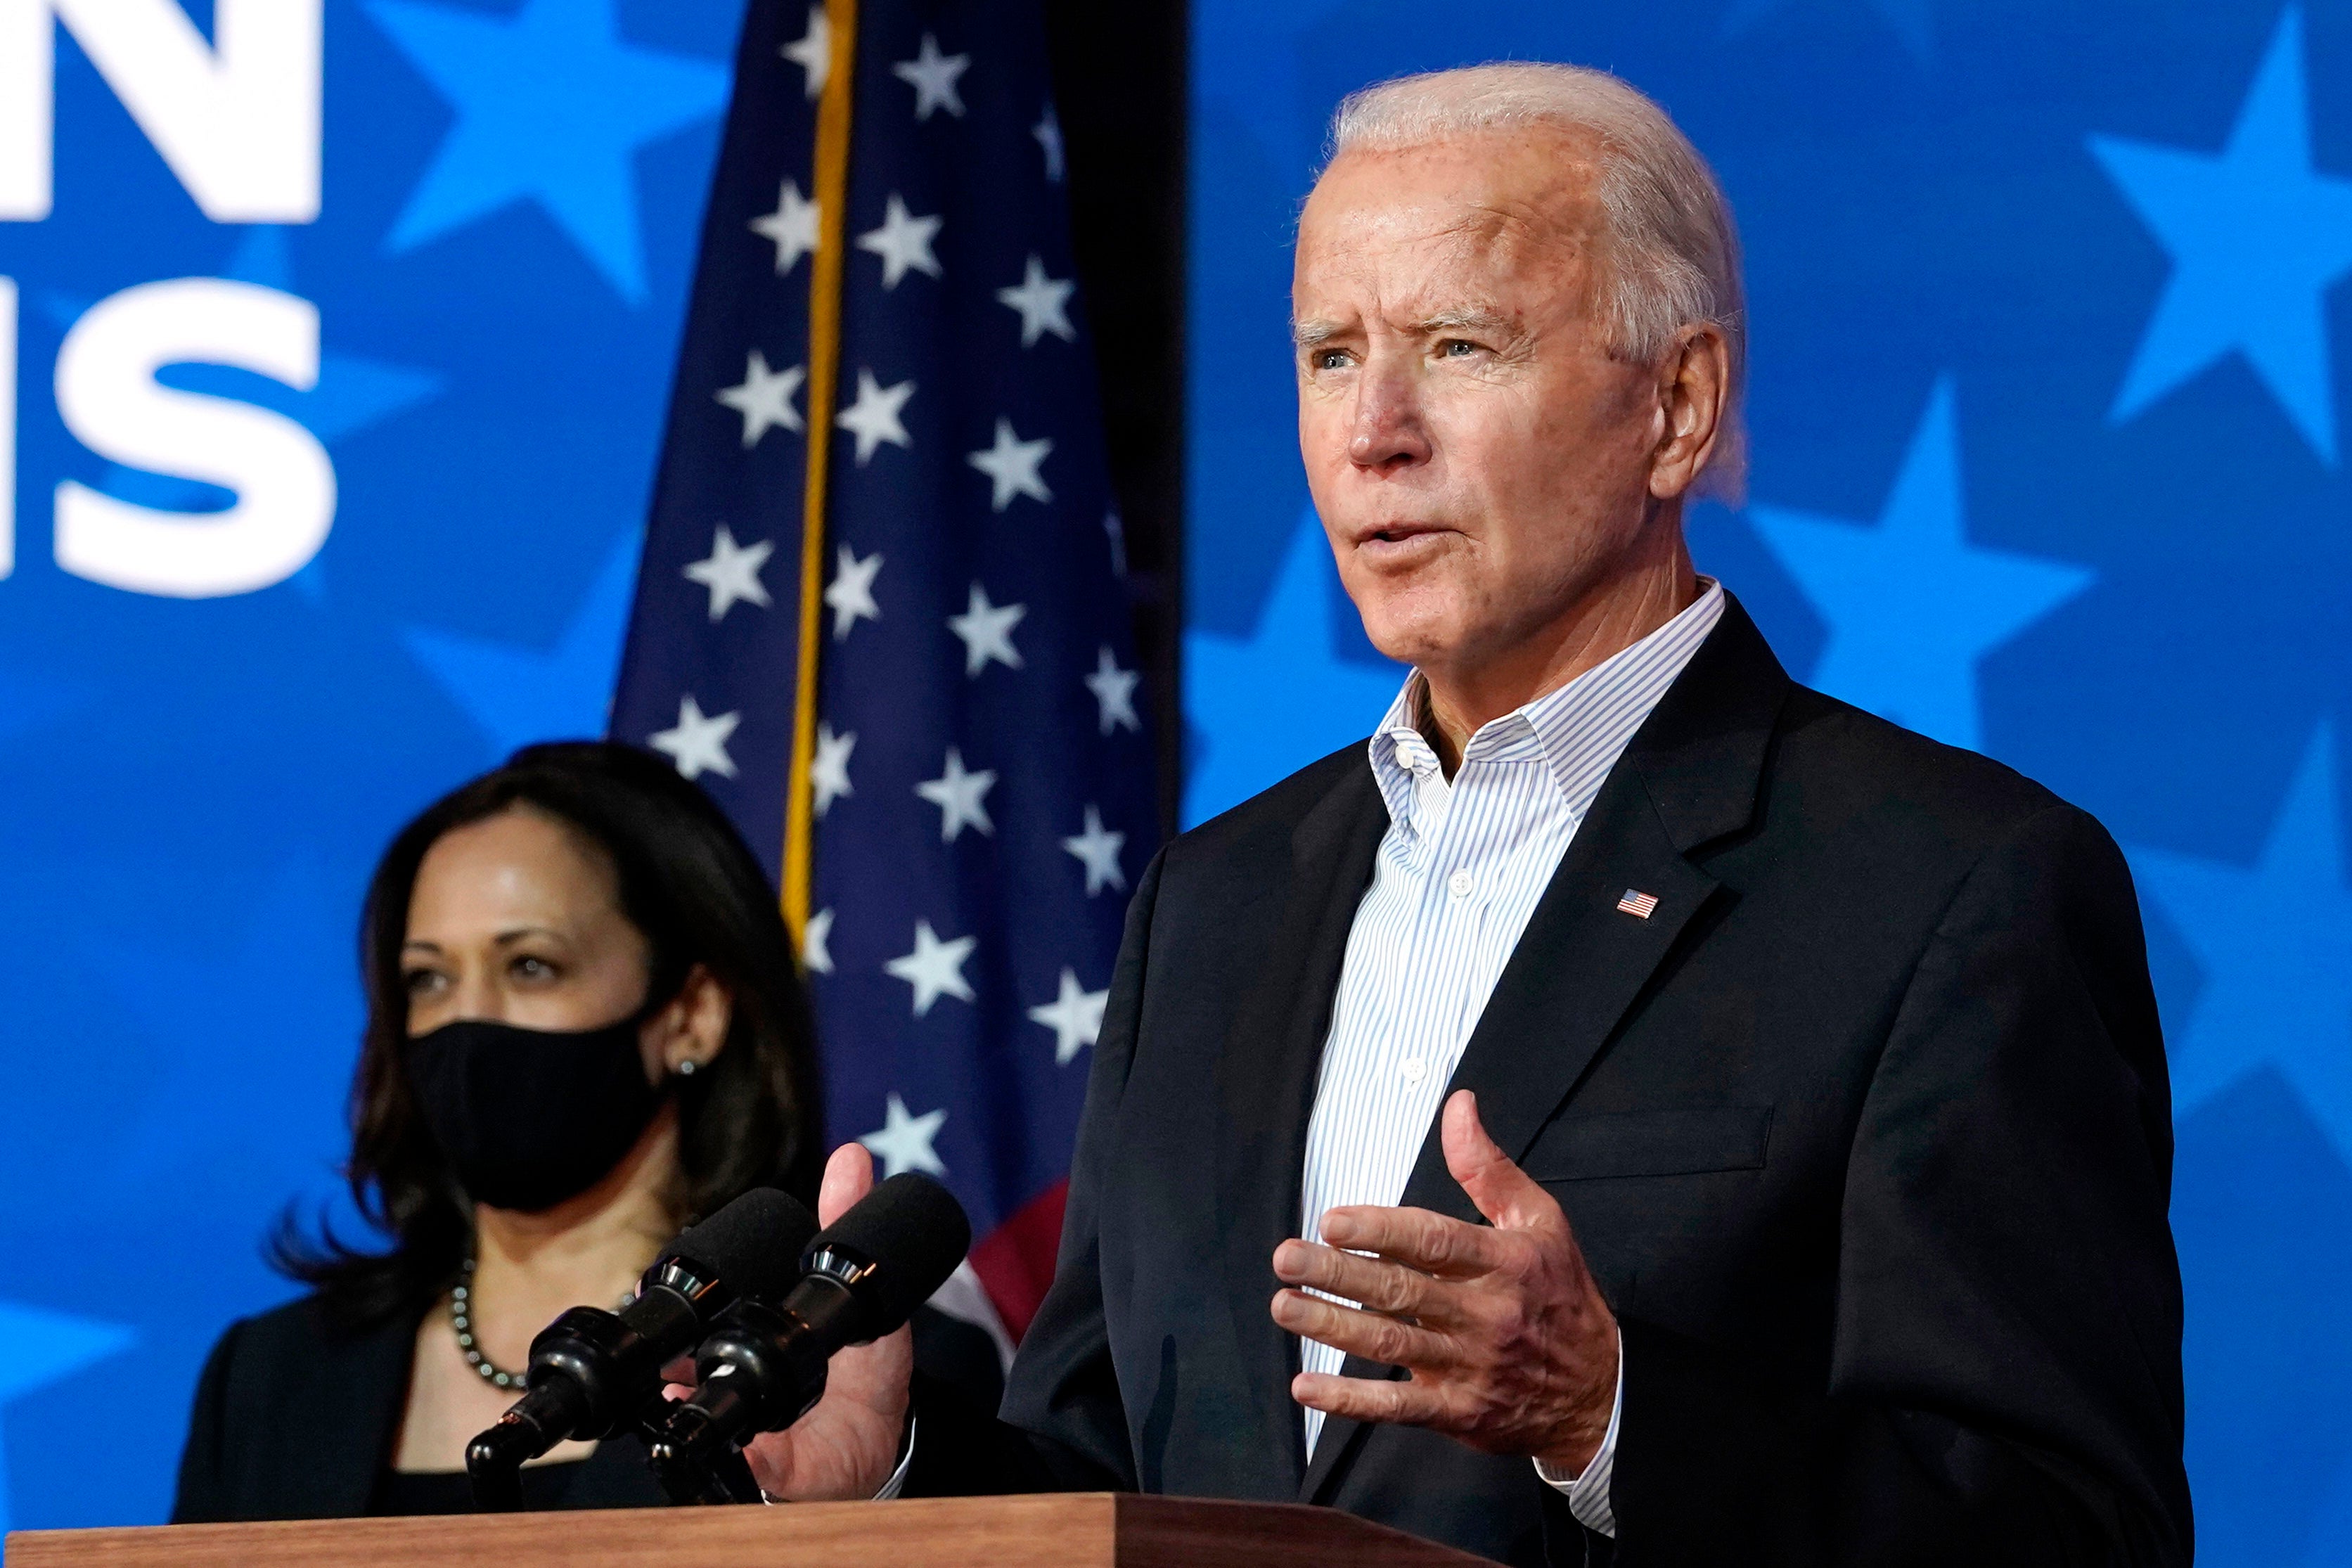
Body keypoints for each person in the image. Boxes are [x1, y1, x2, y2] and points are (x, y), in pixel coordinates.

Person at [729, 63, 2194, 1567]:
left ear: (1677, 406)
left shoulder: (1949, 887)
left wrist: (1610, 1414)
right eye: (1329, 355)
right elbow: (1116, 1473)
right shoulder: (1214, 903)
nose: (1374, 431)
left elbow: (2073, 1533)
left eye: (1459, 345)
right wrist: (893, 1470)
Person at [171, 741, 1000, 1520]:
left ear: (692, 1014)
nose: (468, 1019)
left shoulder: (842, 1370)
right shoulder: (271, 1377)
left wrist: (857, 1503)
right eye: (428, 978)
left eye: (530, 966)